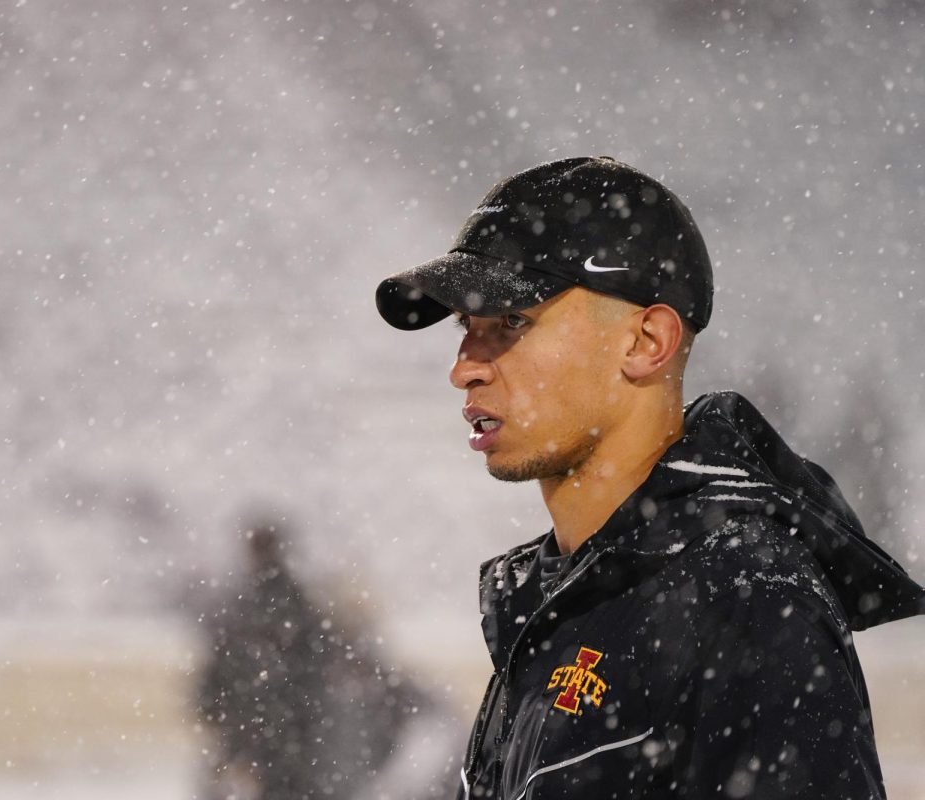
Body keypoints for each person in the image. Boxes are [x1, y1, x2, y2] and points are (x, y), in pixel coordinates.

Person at [374, 156, 925, 799]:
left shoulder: (745, 597)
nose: (463, 368)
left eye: (512, 322)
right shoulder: (556, 603)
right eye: (468, 328)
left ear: (646, 342)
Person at [197, 515, 439, 800]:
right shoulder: (295, 608)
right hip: (295, 748)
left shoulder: (242, 610)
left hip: (268, 746)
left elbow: (214, 688)